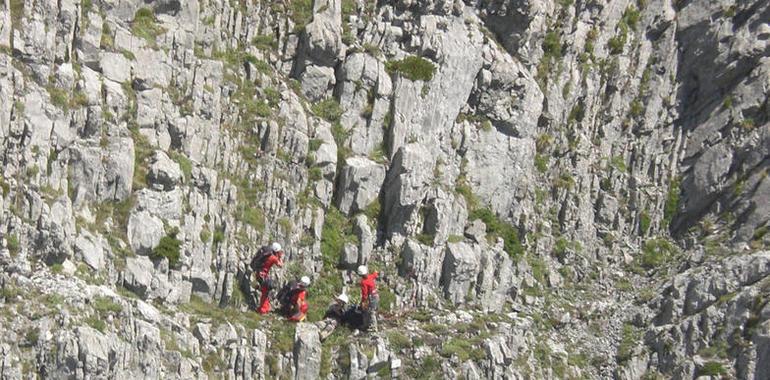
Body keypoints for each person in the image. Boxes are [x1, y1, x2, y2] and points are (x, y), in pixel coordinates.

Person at [251, 242, 284, 314]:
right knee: (265, 292)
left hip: (259, 274)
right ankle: (262, 309)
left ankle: (265, 307)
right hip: (262, 276)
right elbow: (280, 265)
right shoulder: (273, 258)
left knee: (265, 291)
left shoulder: (267, 254)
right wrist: (280, 257)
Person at [357, 265, 379, 332]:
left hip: (371, 297)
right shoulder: (370, 276)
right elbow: (375, 275)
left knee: (370, 311)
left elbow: (365, 294)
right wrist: (376, 272)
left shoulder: (363, 282)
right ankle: (367, 324)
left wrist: (363, 302)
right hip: (376, 296)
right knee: (369, 311)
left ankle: (373, 327)